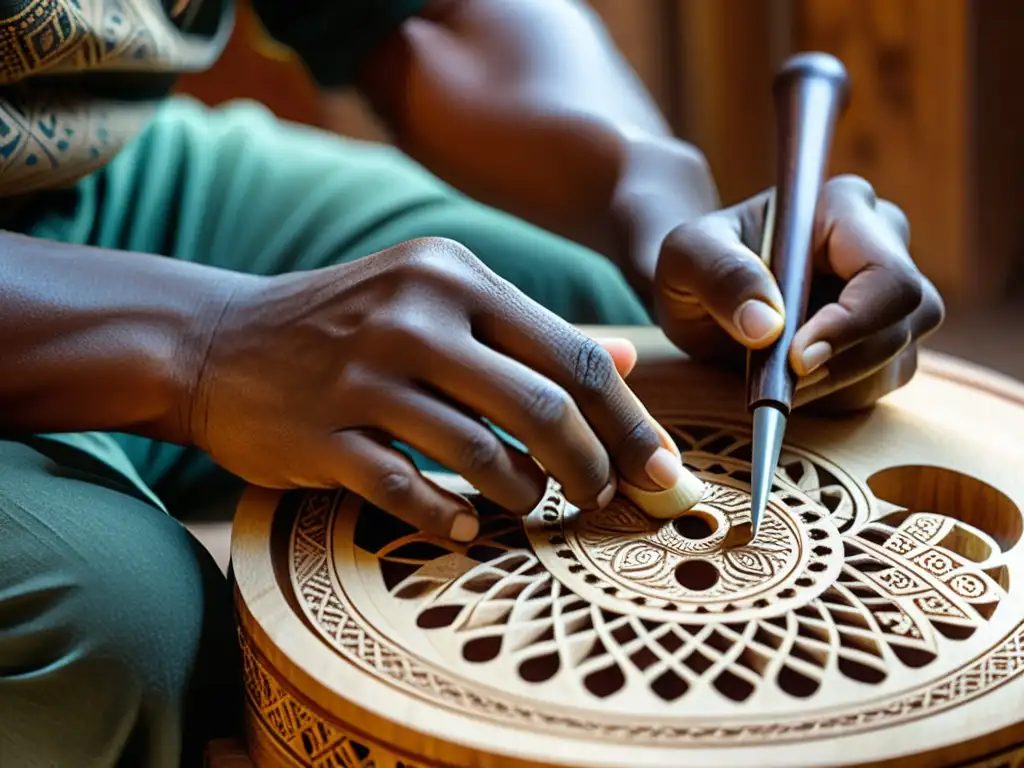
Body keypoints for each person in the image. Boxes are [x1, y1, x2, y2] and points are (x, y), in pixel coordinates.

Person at [0, 0, 944, 765]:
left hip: (91, 169)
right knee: (112, 634)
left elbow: (430, 13)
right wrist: (202, 344)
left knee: (585, 318)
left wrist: (657, 203)